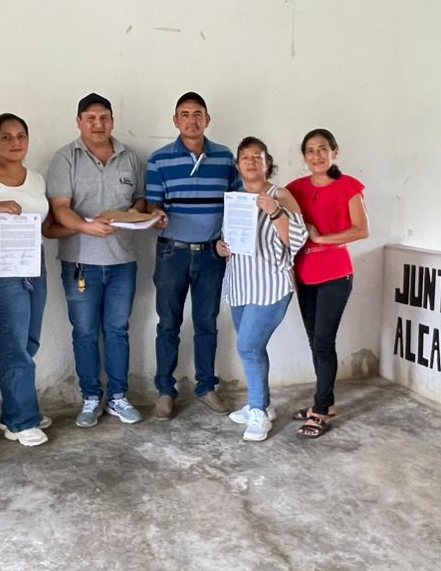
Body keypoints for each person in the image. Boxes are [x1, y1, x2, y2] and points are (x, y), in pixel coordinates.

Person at [46, 93, 148, 428]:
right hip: (80, 263)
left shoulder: (129, 158)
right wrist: (88, 228)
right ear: (79, 122)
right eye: (90, 118)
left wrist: (132, 215)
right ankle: (91, 397)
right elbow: (60, 208)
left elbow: (140, 201)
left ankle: (118, 396)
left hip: (122, 262)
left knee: (118, 331)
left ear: (112, 121)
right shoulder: (66, 158)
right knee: (85, 332)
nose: (98, 124)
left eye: (104, 117)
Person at [0, 113, 69, 447]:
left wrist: (86, 226)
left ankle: (13, 411)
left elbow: (47, 228)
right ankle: (22, 421)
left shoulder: (36, 179)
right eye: (6, 137)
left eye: (21, 136)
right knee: (14, 346)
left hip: (32, 262)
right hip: (0, 264)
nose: (15, 143)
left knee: (28, 342)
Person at [143, 92, 240, 420]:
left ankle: (206, 387)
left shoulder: (225, 158)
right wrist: (157, 216)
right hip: (173, 252)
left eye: (197, 114)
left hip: (212, 254)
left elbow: (236, 204)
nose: (191, 120)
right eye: (184, 114)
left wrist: (229, 239)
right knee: (168, 323)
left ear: (207, 119)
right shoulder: (159, 160)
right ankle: (164, 391)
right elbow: (153, 205)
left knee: (206, 322)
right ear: (175, 121)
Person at [216, 137, 307, 442]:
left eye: (258, 156)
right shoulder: (236, 198)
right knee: (253, 348)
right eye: (245, 157)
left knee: (248, 347)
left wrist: (276, 212)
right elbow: (230, 238)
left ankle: (257, 412)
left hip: (270, 285)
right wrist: (221, 247)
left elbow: (297, 240)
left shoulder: (281, 195)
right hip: (241, 284)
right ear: (238, 164)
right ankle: (263, 404)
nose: (252, 162)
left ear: (268, 163)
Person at [286, 129, 368, 439]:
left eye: (323, 149)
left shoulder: (348, 187)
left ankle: (320, 410)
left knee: (323, 341)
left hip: (335, 273)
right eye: (310, 150)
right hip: (305, 272)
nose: (316, 155)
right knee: (314, 341)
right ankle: (327, 402)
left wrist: (321, 238)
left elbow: (361, 230)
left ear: (335, 151)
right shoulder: (295, 189)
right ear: (304, 156)